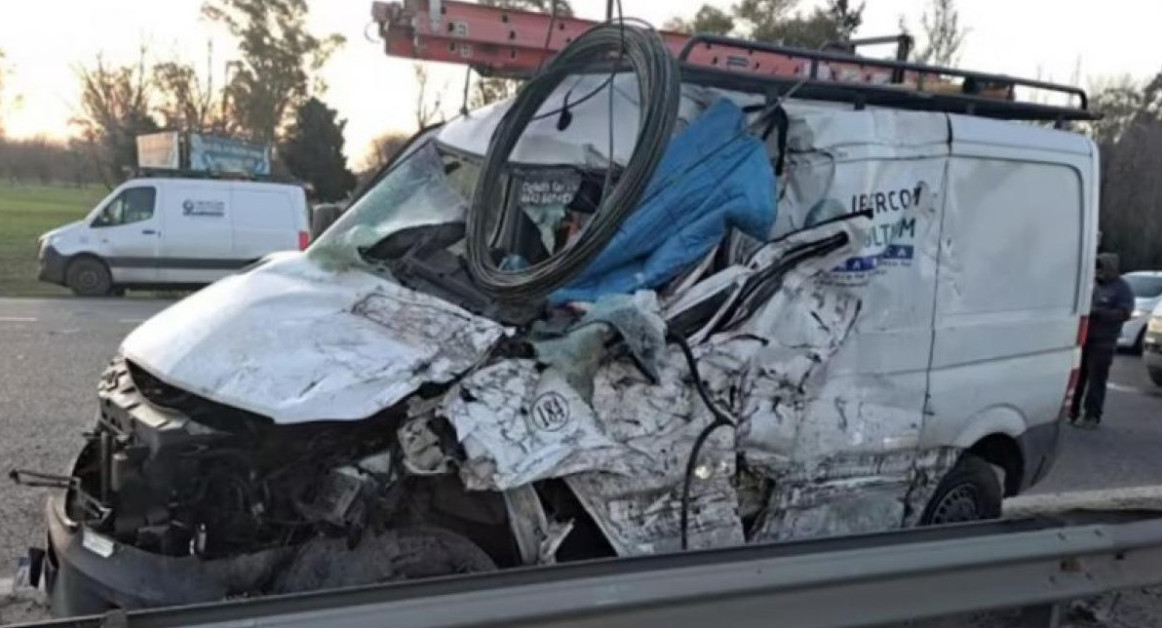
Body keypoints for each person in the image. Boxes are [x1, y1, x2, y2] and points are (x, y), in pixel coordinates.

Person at [1070, 253, 1135, 429]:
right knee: (1078, 379)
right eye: (1096, 267)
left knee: (1096, 380)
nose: (1098, 272)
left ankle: (1092, 415)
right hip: (1084, 339)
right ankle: (1072, 412)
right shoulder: (1093, 286)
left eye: (1101, 267)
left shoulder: (1122, 289)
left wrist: (1100, 313)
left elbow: (1125, 313)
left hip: (1103, 342)